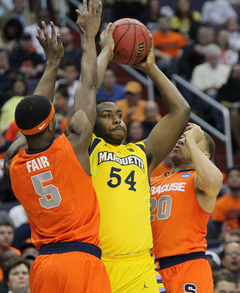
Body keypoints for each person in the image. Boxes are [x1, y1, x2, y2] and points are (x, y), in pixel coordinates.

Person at [3, 1, 112, 292]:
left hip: (43, 267)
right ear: (52, 124)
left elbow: (34, 114)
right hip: (80, 260)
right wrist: (88, 36)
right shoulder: (73, 144)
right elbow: (88, 86)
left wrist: (51, 64)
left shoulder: (12, 160)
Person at [75, 20, 190, 292]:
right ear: (91, 123)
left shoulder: (142, 151)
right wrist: (106, 49)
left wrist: (151, 67)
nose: (117, 120)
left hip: (140, 265)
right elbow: (88, 89)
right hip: (100, 261)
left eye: (119, 115)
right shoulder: (87, 146)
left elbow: (181, 111)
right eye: (107, 116)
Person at [150, 123, 223, 292]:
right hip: (150, 267)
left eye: (193, 140)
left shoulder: (198, 179)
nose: (183, 140)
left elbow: (213, 182)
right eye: (182, 137)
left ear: (205, 156)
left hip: (187, 263)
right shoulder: (153, 179)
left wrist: (190, 139)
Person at [211, 167, 240, 236]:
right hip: (229, 238)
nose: (234, 178)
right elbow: (218, 230)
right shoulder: (220, 204)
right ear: (227, 180)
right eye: (231, 176)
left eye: (237, 175)